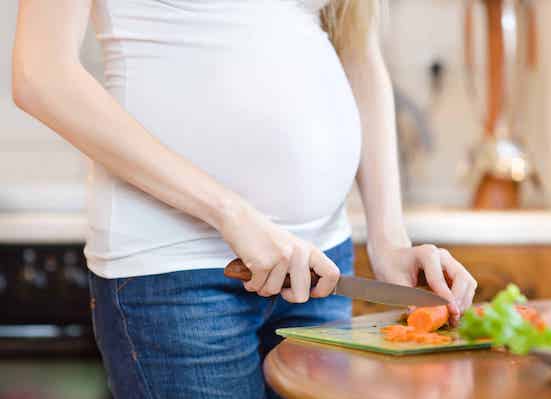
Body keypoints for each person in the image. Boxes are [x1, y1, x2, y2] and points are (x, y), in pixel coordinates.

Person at [12, 1, 477, 398]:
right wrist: (229, 213)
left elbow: (356, 48)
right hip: (178, 272)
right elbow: (40, 74)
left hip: (321, 271)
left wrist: (389, 239)